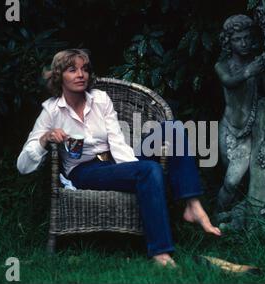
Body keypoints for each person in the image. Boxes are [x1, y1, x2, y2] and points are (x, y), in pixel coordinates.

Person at [17, 49, 221, 267]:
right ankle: (160, 253)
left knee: (174, 129)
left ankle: (193, 205)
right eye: (72, 69)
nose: (80, 74)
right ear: (59, 76)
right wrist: (45, 138)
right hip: (84, 171)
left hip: (115, 159)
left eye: (84, 69)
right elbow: (23, 165)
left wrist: (134, 167)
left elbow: (116, 140)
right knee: (149, 170)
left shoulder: (100, 99)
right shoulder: (51, 111)